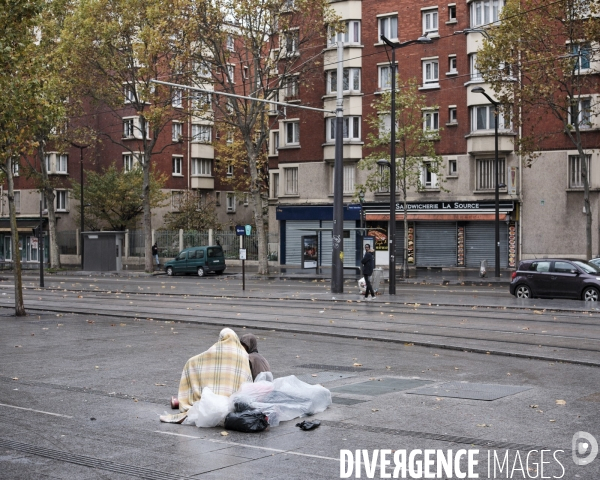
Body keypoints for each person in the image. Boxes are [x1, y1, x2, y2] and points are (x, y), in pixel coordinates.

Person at [160, 328, 252, 423]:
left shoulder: (216, 349)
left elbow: (198, 360)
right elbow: (247, 379)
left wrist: (190, 363)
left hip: (211, 402)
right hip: (232, 405)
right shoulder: (243, 355)